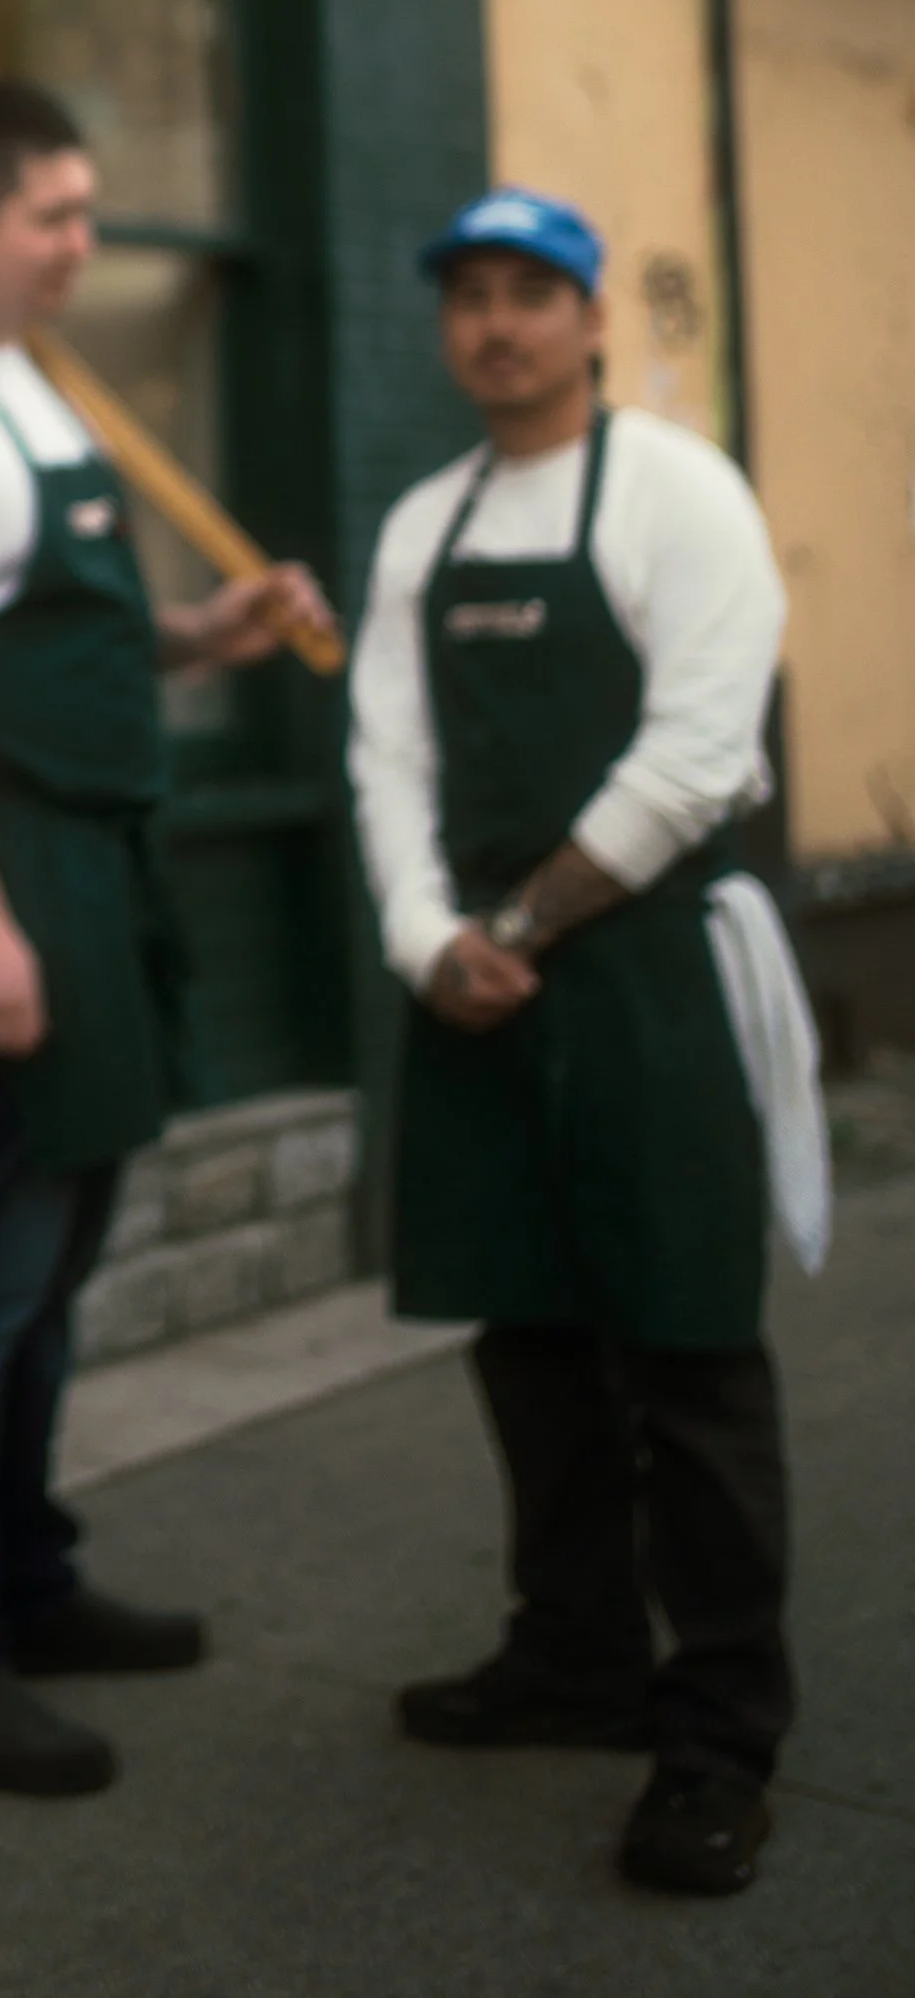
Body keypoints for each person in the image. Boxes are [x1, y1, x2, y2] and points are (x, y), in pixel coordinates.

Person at [0, 76, 331, 1797]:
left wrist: (207, 637)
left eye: (89, 214)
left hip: (97, 875)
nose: (82, 246)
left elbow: (53, 642)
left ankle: (29, 1576)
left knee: (54, 1270)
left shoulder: (28, 382)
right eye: (58, 215)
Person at [348, 186, 819, 1903]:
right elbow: (384, 760)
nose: (496, 323)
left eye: (529, 293)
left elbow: (700, 754)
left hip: (638, 974)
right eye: (468, 293)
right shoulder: (425, 525)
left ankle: (718, 1736)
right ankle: (573, 1650)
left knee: (688, 1357)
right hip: (471, 981)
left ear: (593, 318)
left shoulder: (682, 495)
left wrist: (518, 929)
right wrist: (424, 939)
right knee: (530, 1344)